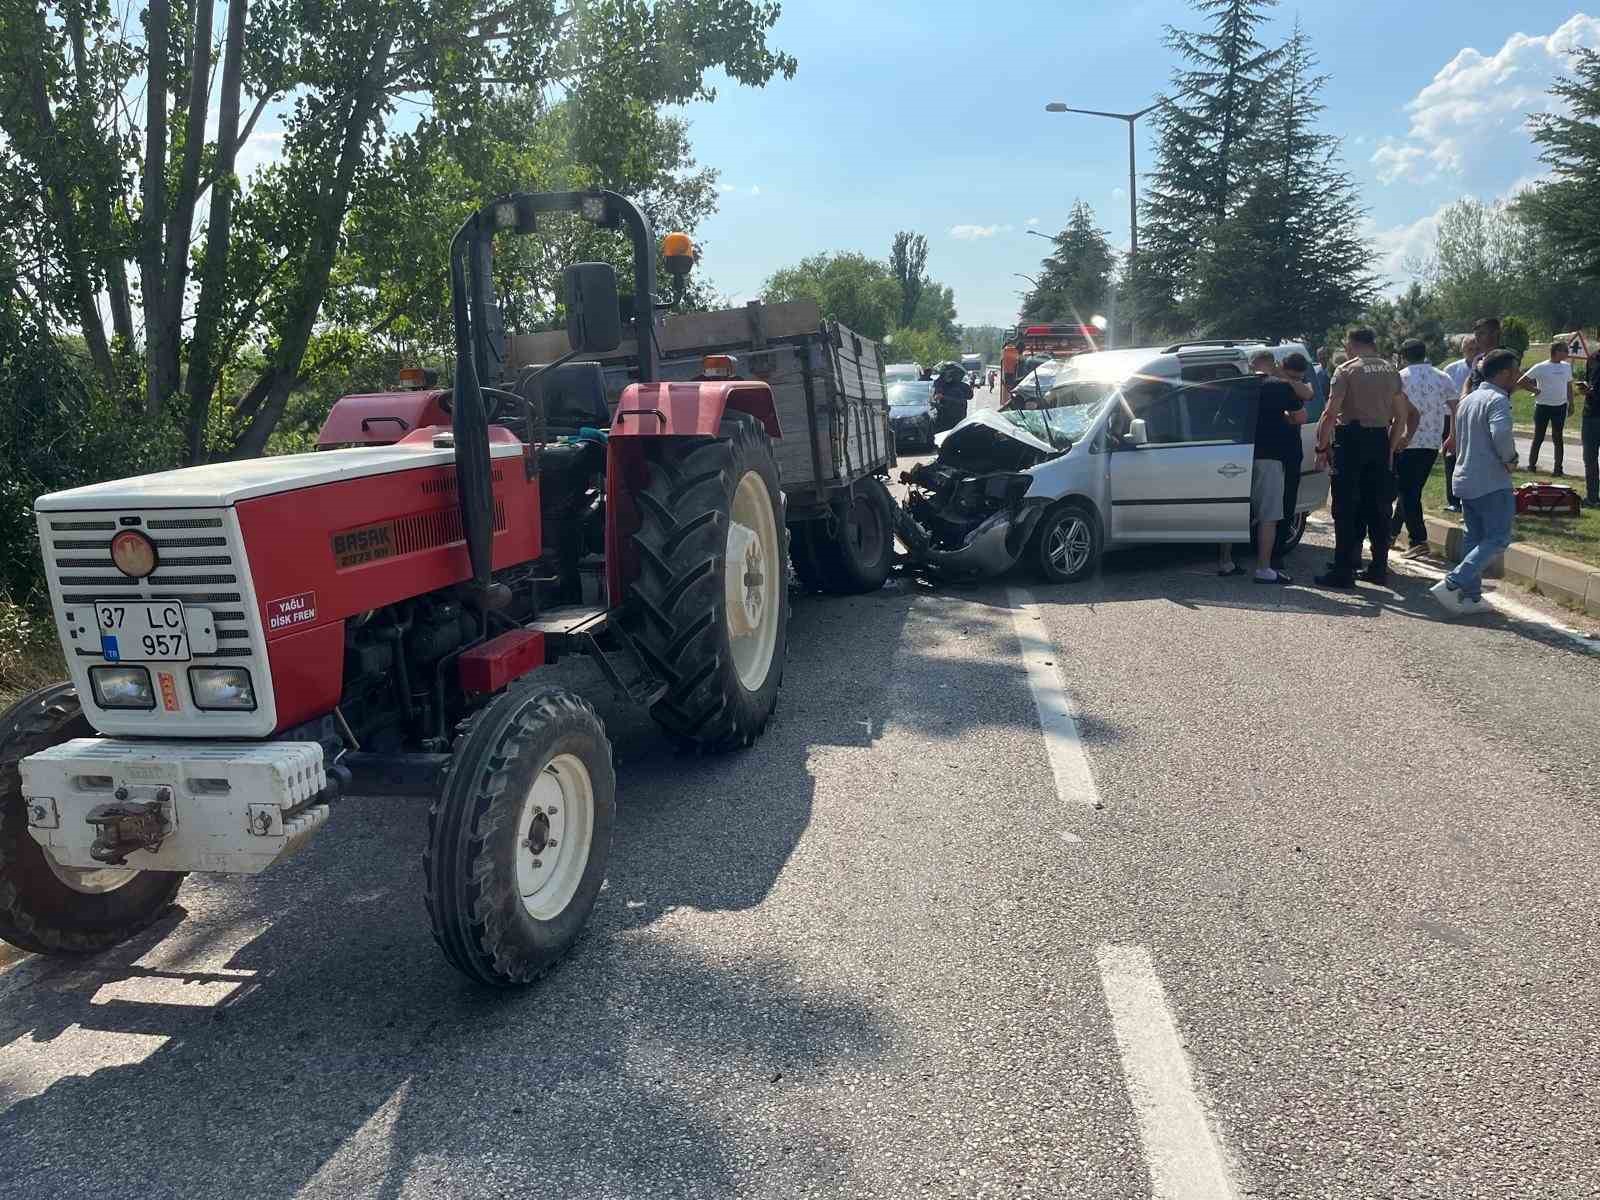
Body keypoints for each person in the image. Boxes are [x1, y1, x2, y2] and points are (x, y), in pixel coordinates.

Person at [1313, 328, 1409, 589]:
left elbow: (1330, 413)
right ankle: (1378, 568)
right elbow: (1401, 416)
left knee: (1345, 507)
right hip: (1379, 440)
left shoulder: (1346, 370)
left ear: (1351, 343)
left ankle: (1343, 570)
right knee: (1378, 508)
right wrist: (1389, 449)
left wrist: (1321, 448)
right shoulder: (1391, 370)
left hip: (1351, 441)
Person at [1431, 347, 1520, 617]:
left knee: (1475, 538)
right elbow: (1501, 433)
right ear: (1504, 373)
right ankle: (1452, 583)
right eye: (1515, 370)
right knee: (1498, 538)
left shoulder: (1469, 398)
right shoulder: (1498, 399)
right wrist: (1510, 459)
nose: (1518, 375)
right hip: (1491, 480)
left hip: (1465, 478)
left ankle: (1471, 597)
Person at [1391, 339, 1453, 559]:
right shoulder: (1442, 376)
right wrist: (1453, 435)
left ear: (1403, 356)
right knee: (1410, 490)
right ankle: (1391, 532)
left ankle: (1418, 540)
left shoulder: (1400, 377)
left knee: (1407, 491)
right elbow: (1456, 407)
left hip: (1405, 441)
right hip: (1431, 442)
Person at [1518, 339, 1574, 475]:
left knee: (1558, 438)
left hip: (1560, 407)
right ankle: (1531, 466)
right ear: (1556, 351)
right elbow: (1521, 381)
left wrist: (1571, 403)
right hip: (1543, 407)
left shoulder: (1566, 367)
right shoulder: (1541, 367)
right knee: (1539, 437)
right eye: (1565, 351)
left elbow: (1568, 385)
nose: (1567, 353)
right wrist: (1534, 390)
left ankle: (1558, 469)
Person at [1441, 334, 1477, 511]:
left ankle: (1471, 498)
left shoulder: (1485, 367)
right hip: (1451, 418)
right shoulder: (1451, 369)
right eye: (1469, 349)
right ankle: (1453, 500)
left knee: (1472, 459)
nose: (1473, 352)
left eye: (1476, 349)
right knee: (1451, 458)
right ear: (1462, 350)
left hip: (1475, 418)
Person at [1580, 377, 1600, 506]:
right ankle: (1592, 498)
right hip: (1591, 414)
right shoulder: (1593, 365)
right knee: (1590, 459)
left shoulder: (1594, 366)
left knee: (1590, 458)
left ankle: (1592, 498)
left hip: (1593, 417)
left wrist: (1589, 391)